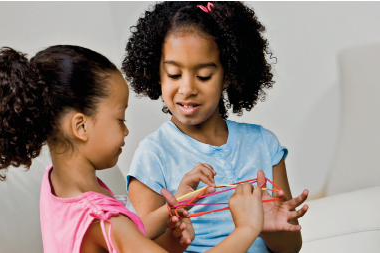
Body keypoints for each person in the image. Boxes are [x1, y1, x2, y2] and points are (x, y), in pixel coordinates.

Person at [0, 45, 268, 253]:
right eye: (120, 118)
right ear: (81, 126)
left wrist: (171, 217)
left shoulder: (59, 186)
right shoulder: (100, 219)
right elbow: (120, 233)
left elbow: (129, 240)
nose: (127, 130)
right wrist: (248, 226)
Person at [122, 2, 309, 253]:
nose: (187, 88)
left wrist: (264, 225)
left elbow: (291, 247)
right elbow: (140, 248)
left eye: (204, 76)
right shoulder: (153, 155)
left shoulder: (264, 144)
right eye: (174, 74)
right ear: (157, 74)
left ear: (228, 75)